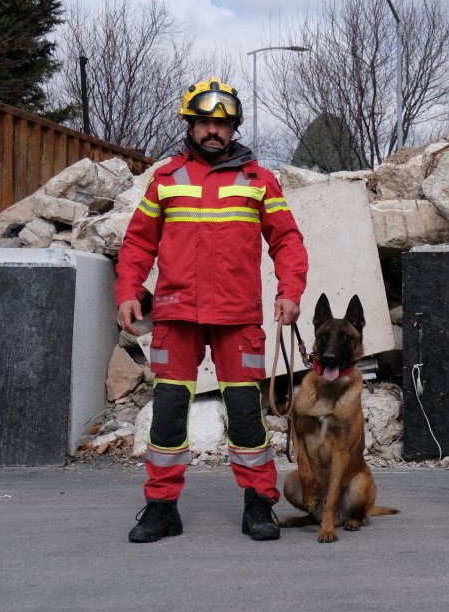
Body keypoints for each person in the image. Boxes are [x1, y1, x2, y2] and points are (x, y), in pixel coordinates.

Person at [115, 77, 308, 543]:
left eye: (222, 124)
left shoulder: (260, 180)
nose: (212, 131)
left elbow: (286, 240)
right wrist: (127, 290)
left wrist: (291, 291)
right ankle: (161, 509)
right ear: (190, 124)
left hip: (237, 316)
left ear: (234, 127)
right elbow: (139, 241)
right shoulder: (165, 179)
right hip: (176, 314)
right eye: (204, 122)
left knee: (245, 413)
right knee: (168, 413)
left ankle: (259, 505)